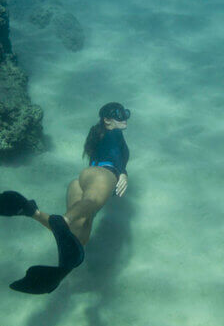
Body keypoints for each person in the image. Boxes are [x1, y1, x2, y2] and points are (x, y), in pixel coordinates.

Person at [0, 102, 130, 294]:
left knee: (79, 235)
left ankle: (32, 211)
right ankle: (64, 219)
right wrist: (123, 172)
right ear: (107, 120)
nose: (125, 118)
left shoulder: (99, 134)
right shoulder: (115, 134)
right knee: (90, 203)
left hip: (81, 180)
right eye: (119, 114)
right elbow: (120, 156)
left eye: (125, 113)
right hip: (104, 174)